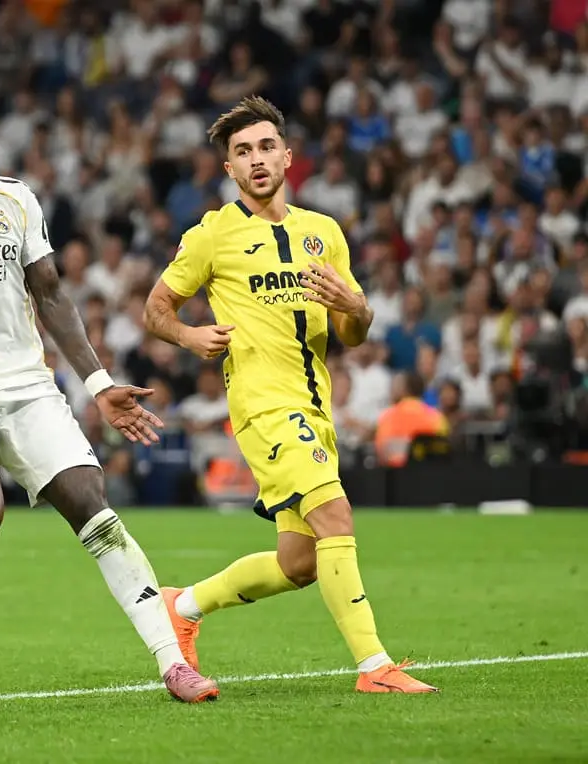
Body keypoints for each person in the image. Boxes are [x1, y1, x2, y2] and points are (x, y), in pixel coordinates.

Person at [0, 75, 217, 703]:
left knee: (91, 500)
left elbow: (51, 294)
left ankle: (173, 662)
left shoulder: (14, 200)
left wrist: (98, 384)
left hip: (28, 382)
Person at [143, 96, 438, 694]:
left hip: (316, 407)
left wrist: (358, 308)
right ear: (229, 168)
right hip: (264, 406)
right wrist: (190, 335)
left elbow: (352, 334)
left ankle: (182, 605)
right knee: (336, 515)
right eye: (242, 152)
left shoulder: (323, 233)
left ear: (287, 156)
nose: (256, 159)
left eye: (266, 147)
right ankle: (374, 667)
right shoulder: (213, 235)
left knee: (299, 563)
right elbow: (156, 309)